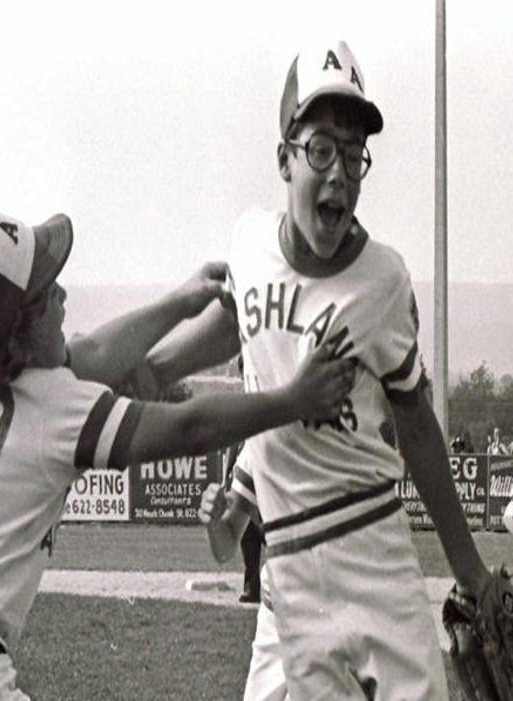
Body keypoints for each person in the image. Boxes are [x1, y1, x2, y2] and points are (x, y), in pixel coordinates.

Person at [0, 207, 355, 700]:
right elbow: (190, 428)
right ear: (26, 325)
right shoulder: (57, 408)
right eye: (48, 292)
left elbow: (96, 353)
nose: (62, 296)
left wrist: (180, 301)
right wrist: (294, 399)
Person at [142, 40, 494, 699]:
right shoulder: (248, 244)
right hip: (289, 584)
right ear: (284, 157)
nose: (339, 171)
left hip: (375, 564)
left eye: (353, 152)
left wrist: (469, 569)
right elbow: (238, 326)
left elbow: (415, 424)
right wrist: (145, 371)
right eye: (320, 148)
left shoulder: (382, 280)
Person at [201, 449, 288, 701]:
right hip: (276, 619)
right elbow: (226, 543)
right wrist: (214, 522)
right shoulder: (259, 444)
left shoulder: (348, 433)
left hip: (329, 618)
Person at [224, 440, 263, 603]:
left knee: (270, 529)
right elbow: (232, 446)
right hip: (245, 475)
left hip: (266, 474)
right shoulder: (241, 424)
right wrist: (226, 476)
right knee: (248, 533)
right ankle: (251, 588)